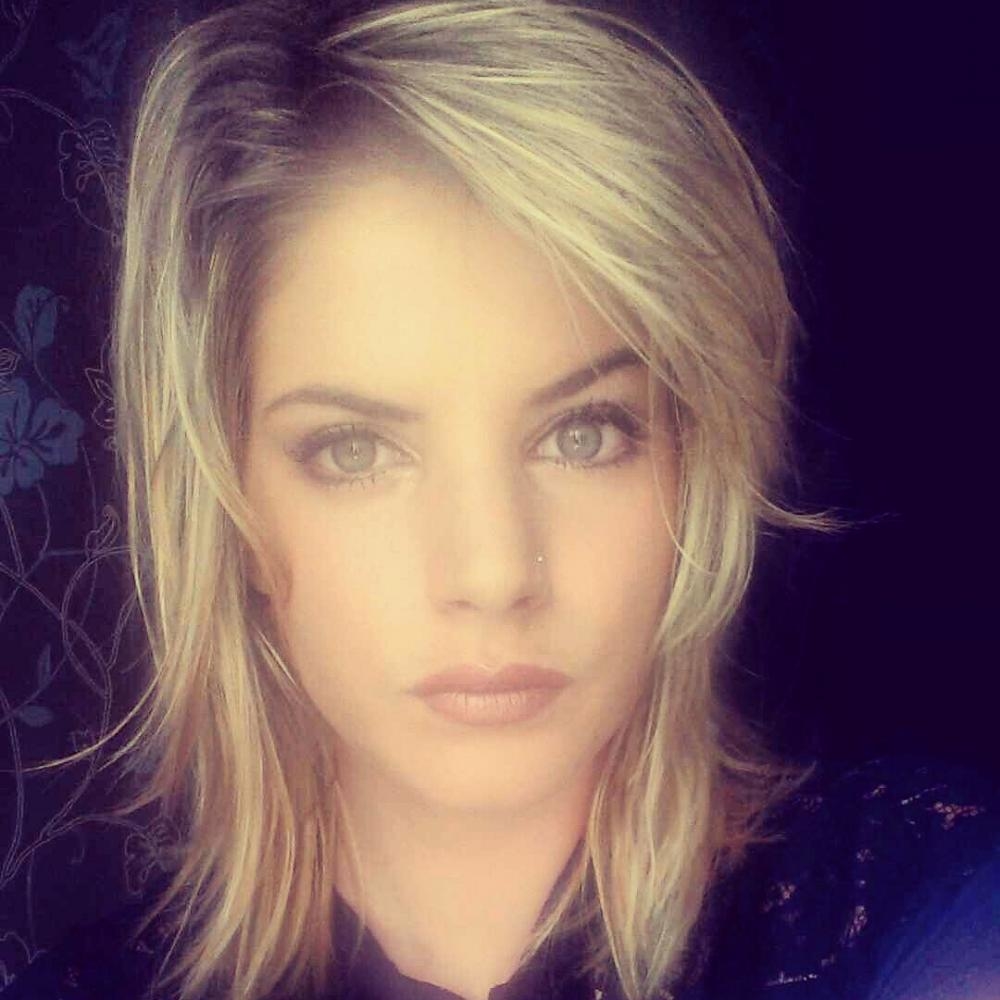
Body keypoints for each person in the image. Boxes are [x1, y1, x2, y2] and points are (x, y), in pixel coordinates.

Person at [1, 1, 997, 999]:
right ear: (234, 509)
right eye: (356, 450)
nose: (492, 572)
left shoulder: (916, 898)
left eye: (583, 434)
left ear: (696, 461)